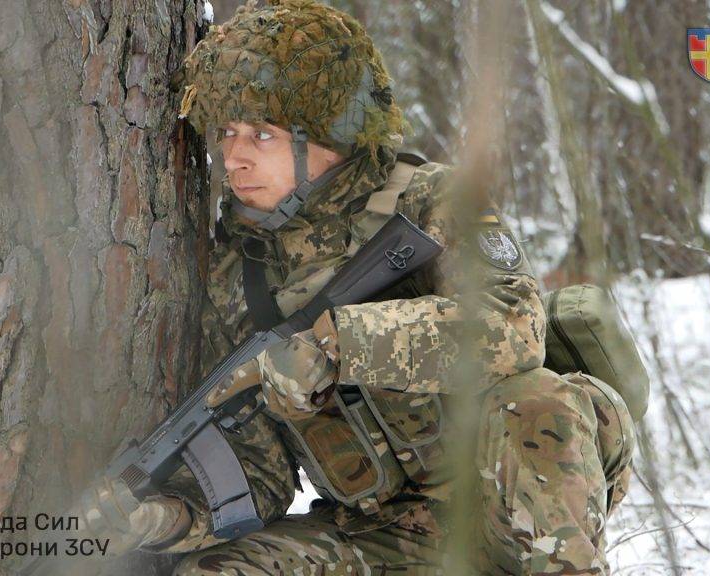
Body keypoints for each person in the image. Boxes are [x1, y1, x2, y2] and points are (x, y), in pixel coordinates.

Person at [70, 1, 636, 574]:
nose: (234, 158)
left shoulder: (428, 199)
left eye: (262, 134)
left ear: (330, 133)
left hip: (511, 504)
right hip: (384, 534)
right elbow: (259, 477)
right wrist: (162, 520)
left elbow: (514, 326)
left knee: (535, 399)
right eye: (227, 132)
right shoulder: (235, 274)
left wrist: (339, 344)